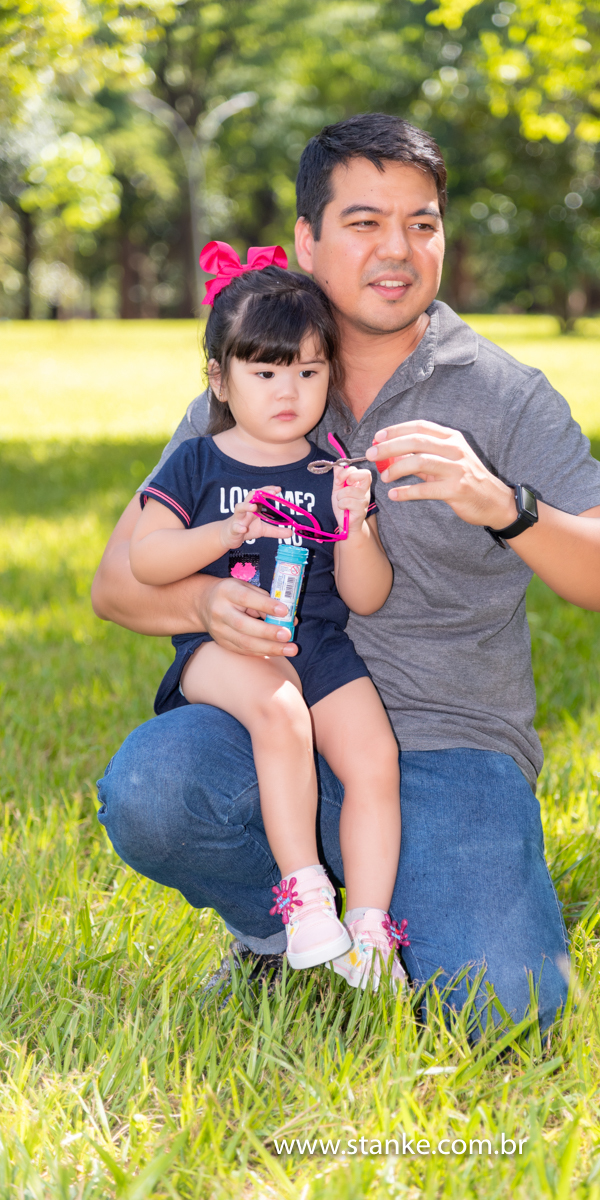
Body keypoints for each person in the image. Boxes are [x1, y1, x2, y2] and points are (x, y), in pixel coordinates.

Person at [92, 113, 600, 1032]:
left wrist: (503, 504)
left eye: (421, 223)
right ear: (307, 241)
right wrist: (203, 601)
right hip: (273, 724)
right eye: (364, 222)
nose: (397, 249)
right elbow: (116, 584)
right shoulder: (249, 384)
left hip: (449, 746)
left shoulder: (503, 394)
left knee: (505, 1012)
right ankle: (276, 937)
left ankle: (396, 909)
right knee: (154, 790)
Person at [128, 253, 405, 988]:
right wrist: (220, 536)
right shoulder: (195, 464)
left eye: (309, 373)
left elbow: (366, 597)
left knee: (374, 757)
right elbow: (147, 561)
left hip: (312, 642)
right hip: (225, 644)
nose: (289, 391)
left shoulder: (325, 475)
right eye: (265, 372)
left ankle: (370, 930)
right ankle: (304, 895)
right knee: (280, 714)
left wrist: (359, 525)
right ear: (219, 378)